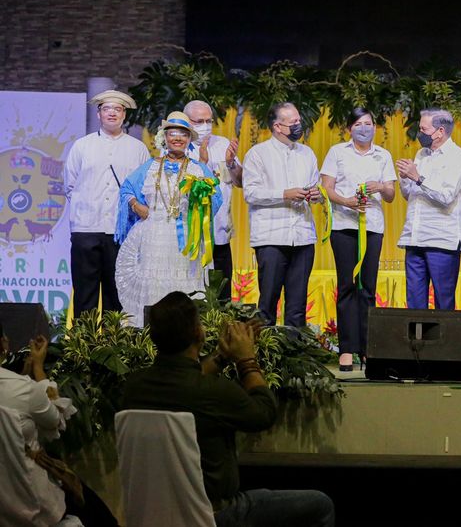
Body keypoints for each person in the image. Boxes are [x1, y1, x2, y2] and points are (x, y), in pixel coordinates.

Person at [121, 292, 334, 527]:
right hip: (215, 514)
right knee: (321, 505)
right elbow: (264, 413)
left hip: (152, 516)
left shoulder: (133, 387)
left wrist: (223, 357)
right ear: (198, 333)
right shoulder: (212, 391)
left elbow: (184, 379)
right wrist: (246, 360)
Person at [0, 326, 118, 526]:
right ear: (4, 344)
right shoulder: (22, 389)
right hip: (35, 504)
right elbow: (56, 421)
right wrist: (38, 368)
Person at [114, 112, 222, 327]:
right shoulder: (150, 166)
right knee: (153, 283)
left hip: (186, 237)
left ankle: (185, 335)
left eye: (183, 134)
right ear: (165, 137)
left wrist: (199, 205)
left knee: (185, 283)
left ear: (189, 139)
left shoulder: (199, 169)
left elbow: (216, 196)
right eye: (173, 133)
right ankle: (147, 338)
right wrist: (137, 205)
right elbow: (126, 189)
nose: (178, 138)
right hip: (153, 235)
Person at [320, 107, 396, 371]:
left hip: (372, 226)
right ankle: (347, 349)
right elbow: (326, 189)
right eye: (359, 124)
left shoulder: (383, 155)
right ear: (349, 128)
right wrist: (347, 201)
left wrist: (381, 186)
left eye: (369, 123)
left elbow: (391, 195)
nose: (365, 128)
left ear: (375, 127)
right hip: (344, 225)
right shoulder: (337, 152)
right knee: (347, 285)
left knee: (368, 287)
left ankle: (367, 348)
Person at [63, 90, 150, 317]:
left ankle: (115, 346)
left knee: (118, 293)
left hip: (121, 231)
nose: (112, 113)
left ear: (124, 115)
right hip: (86, 228)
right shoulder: (82, 146)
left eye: (118, 109)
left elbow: (143, 189)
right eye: (106, 108)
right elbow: (69, 186)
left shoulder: (138, 148)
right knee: (84, 292)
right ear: (99, 114)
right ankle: (84, 346)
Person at [242, 102, 322, 326]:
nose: (299, 125)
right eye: (294, 122)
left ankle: (295, 354)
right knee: (268, 302)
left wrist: (317, 194)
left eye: (299, 120)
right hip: (271, 237)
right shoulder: (257, 154)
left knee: (297, 305)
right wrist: (284, 194)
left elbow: (318, 188)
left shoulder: (307, 153)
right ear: (277, 126)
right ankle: (266, 355)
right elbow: (251, 193)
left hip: (303, 236)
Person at [396, 108, 461, 310]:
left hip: (442, 240)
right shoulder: (422, 154)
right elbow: (410, 195)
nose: (419, 133)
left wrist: (418, 178)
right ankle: (416, 342)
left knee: (443, 302)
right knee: (414, 302)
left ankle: (444, 343)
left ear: (439, 131)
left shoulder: (458, 157)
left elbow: (446, 196)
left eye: (423, 129)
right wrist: (405, 178)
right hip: (415, 237)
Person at [181, 100, 244, 301]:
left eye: (209, 120)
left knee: (222, 298)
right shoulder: (177, 148)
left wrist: (231, 162)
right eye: (199, 121)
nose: (205, 125)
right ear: (187, 122)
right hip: (190, 238)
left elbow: (240, 182)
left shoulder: (222, 143)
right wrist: (203, 163)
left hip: (220, 234)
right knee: (193, 297)